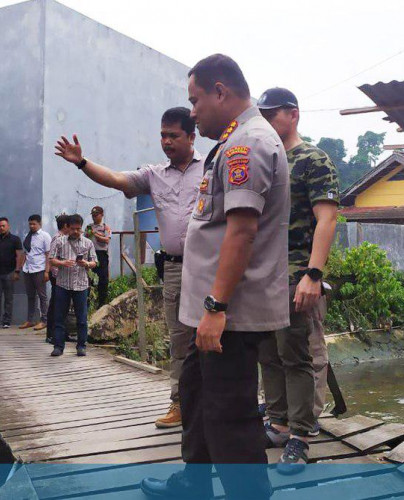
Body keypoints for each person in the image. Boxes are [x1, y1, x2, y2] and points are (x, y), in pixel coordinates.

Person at [141, 54, 290, 499]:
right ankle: (193, 481)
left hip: (229, 311)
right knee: (197, 394)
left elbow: (242, 231)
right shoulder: (233, 141)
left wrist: (216, 308)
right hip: (210, 309)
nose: (192, 112)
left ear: (220, 92)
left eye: (196, 100)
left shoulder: (249, 144)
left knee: (230, 411)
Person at [55, 107, 204, 428]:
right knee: (180, 340)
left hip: (209, 267)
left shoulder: (212, 168)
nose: (166, 142)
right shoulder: (154, 174)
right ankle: (179, 405)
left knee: (217, 337)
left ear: (192, 137)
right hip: (176, 268)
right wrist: (82, 163)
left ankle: (217, 407)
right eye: (162, 135)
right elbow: (116, 178)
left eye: (173, 136)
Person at [257, 87, 339, 470]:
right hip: (263, 276)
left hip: (295, 273)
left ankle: (301, 436)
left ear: (293, 114)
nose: (268, 120)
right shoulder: (267, 159)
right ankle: (277, 423)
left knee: (296, 355)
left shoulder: (312, 159)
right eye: (263, 114)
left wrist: (313, 274)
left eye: (273, 114)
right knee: (268, 354)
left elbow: (327, 218)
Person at [48, 213, 97, 357]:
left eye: (78, 229)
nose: (76, 231)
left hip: (81, 285)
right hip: (63, 284)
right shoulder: (59, 241)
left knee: (81, 318)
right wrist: (62, 263)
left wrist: (86, 263)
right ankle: (58, 346)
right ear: (68, 227)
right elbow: (51, 259)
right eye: (73, 228)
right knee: (59, 317)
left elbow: (95, 262)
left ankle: (81, 346)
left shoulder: (88, 243)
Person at [0, 217, 23, 329]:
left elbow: (19, 256)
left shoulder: (15, 239)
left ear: (8, 226)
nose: (1, 228)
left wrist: (17, 271)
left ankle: (6, 321)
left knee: (8, 298)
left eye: (3, 226)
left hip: (9, 272)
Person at [19, 214, 52, 331]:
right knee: (30, 296)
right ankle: (30, 320)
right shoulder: (27, 235)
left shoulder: (45, 236)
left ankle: (44, 320)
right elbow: (25, 253)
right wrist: (20, 267)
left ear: (40, 224)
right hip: (27, 268)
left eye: (34, 224)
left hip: (39, 268)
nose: (32, 226)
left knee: (42, 296)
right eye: (30, 224)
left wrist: (47, 271)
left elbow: (48, 254)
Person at [47, 213, 72, 344]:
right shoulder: (57, 238)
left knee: (64, 305)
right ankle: (51, 334)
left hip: (63, 275)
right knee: (56, 305)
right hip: (57, 275)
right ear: (66, 226)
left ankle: (64, 333)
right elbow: (52, 258)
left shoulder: (67, 238)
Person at [86, 206, 111, 307]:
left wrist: (95, 234)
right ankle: (88, 301)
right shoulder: (89, 226)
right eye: (93, 215)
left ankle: (102, 302)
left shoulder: (105, 227)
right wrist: (89, 233)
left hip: (101, 254)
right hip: (91, 254)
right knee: (89, 277)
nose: (94, 217)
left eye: (96, 215)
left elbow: (106, 240)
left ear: (102, 215)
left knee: (103, 278)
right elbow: (85, 239)